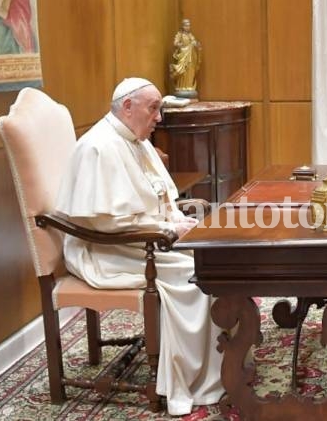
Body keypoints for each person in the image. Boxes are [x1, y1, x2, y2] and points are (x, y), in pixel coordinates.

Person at [55, 78, 223, 415]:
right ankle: (191, 381)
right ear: (127, 107)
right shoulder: (98, 148)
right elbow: (104, 223)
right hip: (106, 251)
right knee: (196, 275)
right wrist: (167, 228)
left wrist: (176, 220)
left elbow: (160, 195)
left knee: (217, 261)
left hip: (143, 241)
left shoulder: (137, 140)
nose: (159, 117)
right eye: (154, 108)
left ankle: (220, 368)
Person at [169, 18, 201, 98]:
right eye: (186, 25)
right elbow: (175, 43)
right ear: (183, 26)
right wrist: (183, 46)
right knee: (183, 72)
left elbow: (195, 43)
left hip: (190, 56)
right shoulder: (179, 35)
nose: (188, 27)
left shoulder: (190, 35)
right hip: (183, 55)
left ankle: (189, 86)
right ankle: (181, 87)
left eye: (189, 25)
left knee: (190, 70)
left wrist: (196, 45)